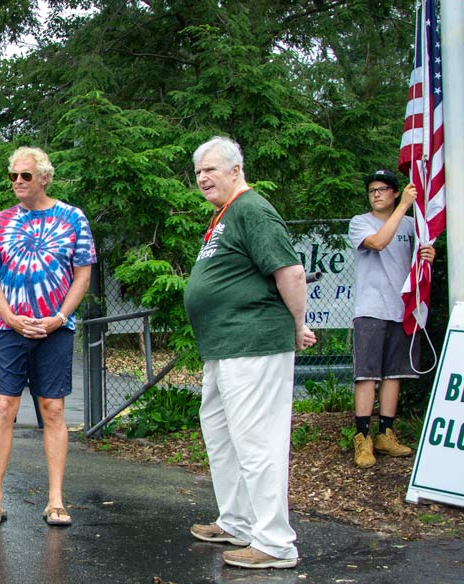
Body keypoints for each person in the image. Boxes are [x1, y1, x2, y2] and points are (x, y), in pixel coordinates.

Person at [183, 136, 316, 569]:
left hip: (253, 344)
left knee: (258, 443)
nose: (203, 177)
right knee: (222, 438)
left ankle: (275, 543)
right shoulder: (226, 215)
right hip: (224, 348)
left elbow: (290, 272)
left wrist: (297, 325)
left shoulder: (253, 209)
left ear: (236, 171)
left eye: (212, 169)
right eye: (199, 171)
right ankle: (237, 521)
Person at [0, 146, 95, 528]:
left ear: (45, 177)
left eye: (25, 176)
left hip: (54, 329)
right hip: (7, 329)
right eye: (13, 176)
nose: (18, 183)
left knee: (53, 411)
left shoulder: (72, 217)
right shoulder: (2, 220)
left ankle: (56, 499)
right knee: (3, 408)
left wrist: (60, 318)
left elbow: (83, 274)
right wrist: (9, 316)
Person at [348, 170, 436, 468]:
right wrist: (403, 208)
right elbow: (378, 243)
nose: (376, 194)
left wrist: (427, 254)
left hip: (402, 308)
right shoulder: (360, 222)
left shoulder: (414, 225)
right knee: (367, 374)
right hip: (371, 309)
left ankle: (386, 433)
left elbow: (416, 261)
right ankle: (362, 436)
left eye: (384, 189)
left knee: (394, 373)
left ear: (395, 192)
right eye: (372, 190)